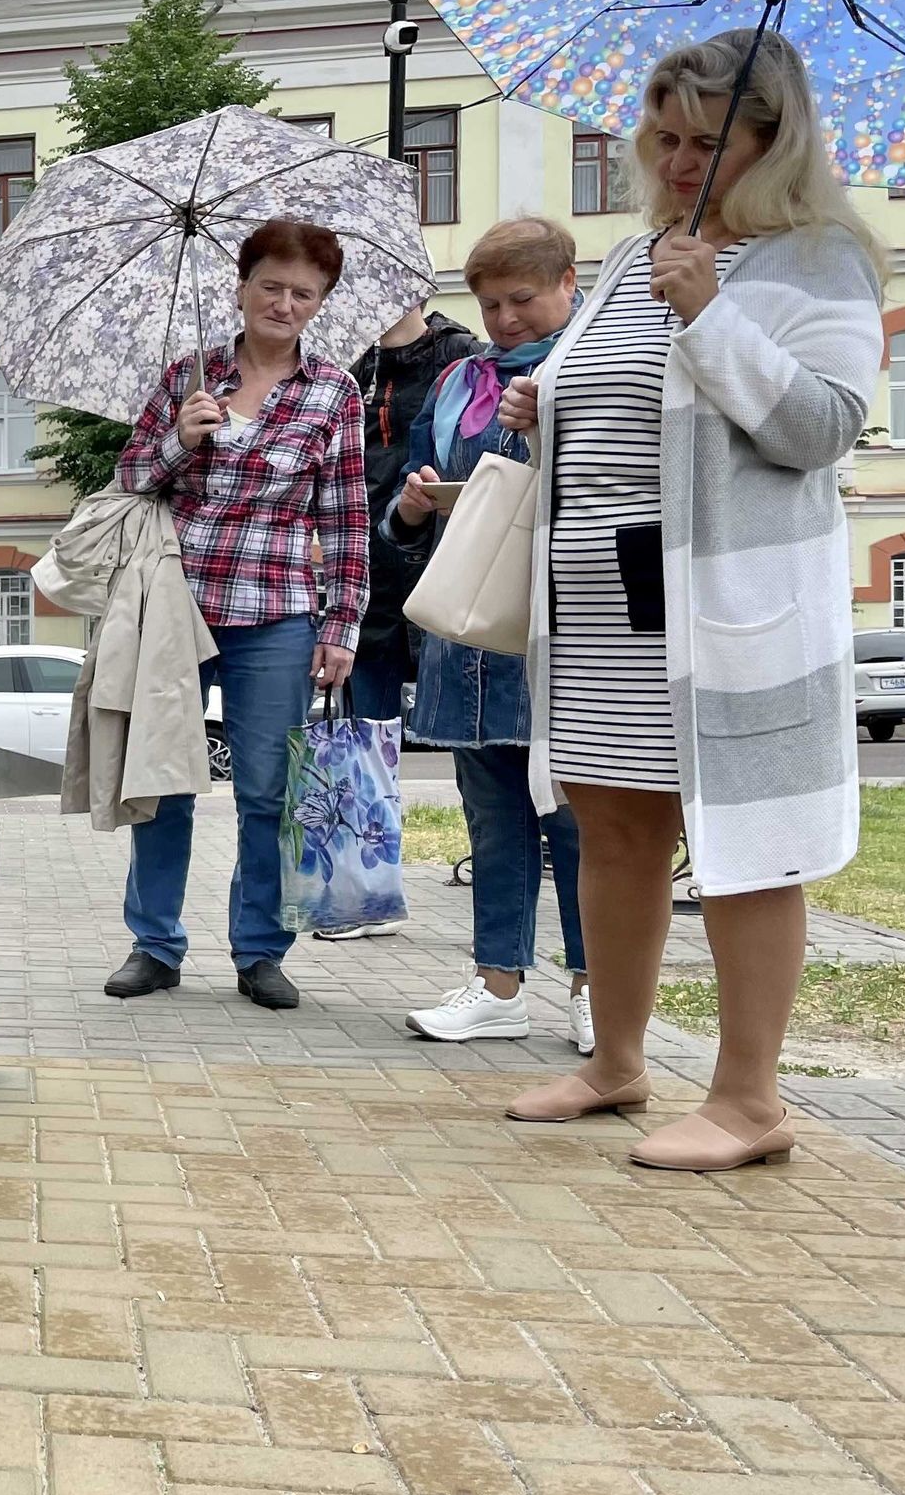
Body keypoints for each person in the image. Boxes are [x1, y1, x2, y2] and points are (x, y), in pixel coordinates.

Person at [498, 30, 885, 1172]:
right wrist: (545, 409)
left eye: (706, 141)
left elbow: (819, 427)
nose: (676, 161)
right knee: (611, 829)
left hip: (724, 605)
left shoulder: (818, 259)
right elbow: (623, 398)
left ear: (774, 139)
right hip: (602, 605)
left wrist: (710, 312)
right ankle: (616, 1062)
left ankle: (749, 1099)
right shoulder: (637, 254)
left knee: (743, 844)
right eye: (661, 137)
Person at [101, 218, 368, 1012]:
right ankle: (154, 944)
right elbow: (131, 479)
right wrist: (180, 440)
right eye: (271, 286)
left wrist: (339, 625)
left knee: (268, 790)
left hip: (277, 609)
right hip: (176, 607)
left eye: (303, 293)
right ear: (242, 286)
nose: (284, 304)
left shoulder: (334, 392)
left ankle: (259, 951)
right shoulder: (190, 373)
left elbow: (346, 520)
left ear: (320, 303)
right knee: (165, 777)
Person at [383, 219, 589, 1050]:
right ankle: (499, 984)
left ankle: (596, 985)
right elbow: (407, 502)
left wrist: (546, 423)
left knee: (577, 820)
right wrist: (412, 501)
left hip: (564, 628)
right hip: (469, 630)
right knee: (494, 817)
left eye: (522, 299)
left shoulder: (592, 363)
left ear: (569, 283)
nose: (504, 319)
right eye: (490, 302)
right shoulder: (459, 379)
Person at [309, 302, 475, 944]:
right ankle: (362, 892)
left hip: (443, 565)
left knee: (470, 745)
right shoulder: (350, 368)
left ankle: (500, 874)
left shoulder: (459, 357)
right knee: (360, 738)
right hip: (368, 577)